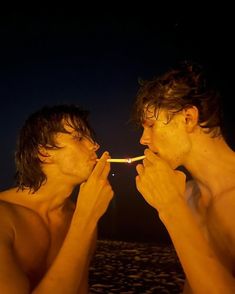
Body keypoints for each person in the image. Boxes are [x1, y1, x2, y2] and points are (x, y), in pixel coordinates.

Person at [133, 62, 235, 293]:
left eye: (150, 125)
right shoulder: (188, 193)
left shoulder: (179, 200)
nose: (143, 139)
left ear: (188, 118)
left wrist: (170, 207)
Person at [0, 104, 113, 293]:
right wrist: (85, 219)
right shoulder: (4, 217)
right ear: (44, 153)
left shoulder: (78, 215)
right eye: (78, 137)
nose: (94, 145)